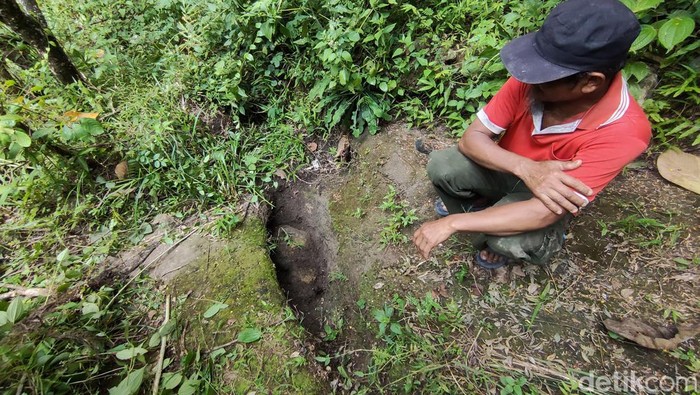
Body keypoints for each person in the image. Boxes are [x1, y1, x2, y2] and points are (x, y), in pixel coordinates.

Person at [412, 0, 651, 269]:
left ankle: (516, 235)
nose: (528, 80)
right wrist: (527, 168)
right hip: (507, 167)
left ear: (590, 81)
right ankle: (487, 207)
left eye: (545, 77)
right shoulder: (537, 79)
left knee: (508, 241)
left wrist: (453, 222)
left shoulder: (625, 131)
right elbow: (471, 139)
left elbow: (543, 212)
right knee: (444, 164)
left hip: (544, 200)